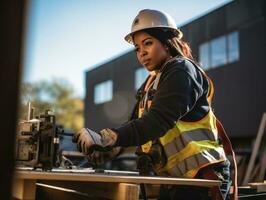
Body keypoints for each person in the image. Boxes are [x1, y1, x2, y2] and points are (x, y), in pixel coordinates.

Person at [73, 9, 237, 200]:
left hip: (203, 178)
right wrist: (105, 148)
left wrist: (110, 137)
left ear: (167, 43)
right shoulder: (151, 83)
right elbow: (136, 125)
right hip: (176, 180)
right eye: (137, 48)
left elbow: (157, 121)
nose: (141, 52)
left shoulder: (182, 70)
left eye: (148, 43)